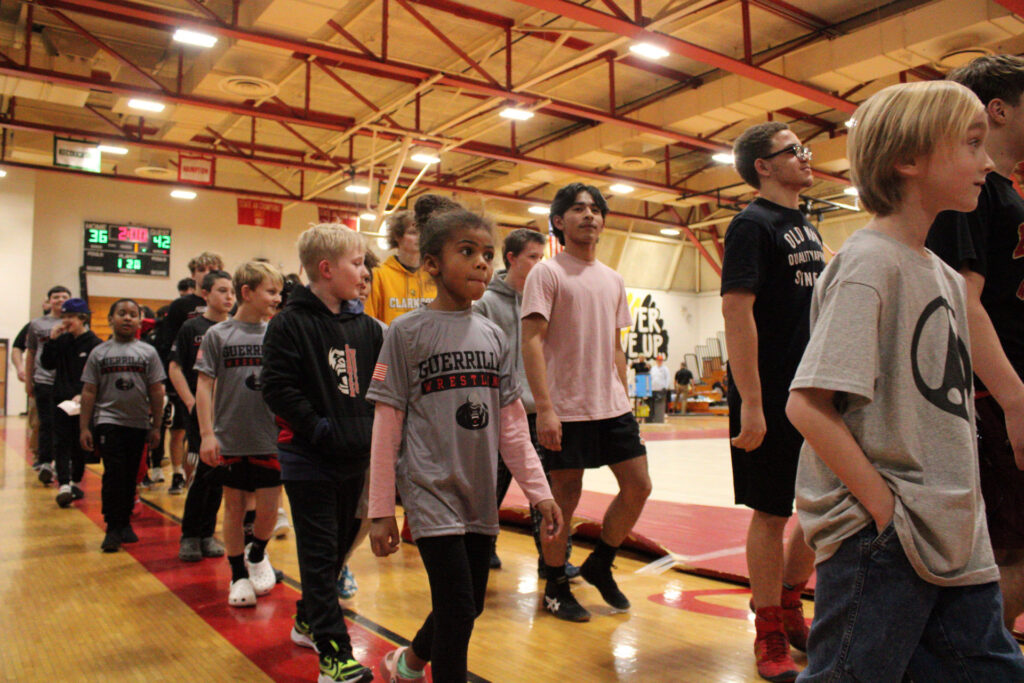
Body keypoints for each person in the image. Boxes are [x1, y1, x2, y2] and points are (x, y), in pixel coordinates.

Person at [787, 79, 1024, 681]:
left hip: (953, 533)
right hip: (887, 538)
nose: (989, 161)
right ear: (909, 160)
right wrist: (884, 510)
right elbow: (809, 406)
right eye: (973, 144)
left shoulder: (941, 273)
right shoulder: (868, 264)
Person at [368, 209, 562, 683]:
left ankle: (410, 662)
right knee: (456, 606)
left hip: (478, 492)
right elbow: (386, 424)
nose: (481, 263)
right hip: (429, 490)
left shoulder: (496, 335)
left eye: (487, 255)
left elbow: (513, 425)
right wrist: (379, 508)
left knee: (470, 602)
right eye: (467, 252)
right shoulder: (403, 334)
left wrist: (539, 492)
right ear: (432, 264)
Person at [522, 182, 652, 623]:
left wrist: (625, 395)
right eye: (578, 209)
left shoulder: (613, 279)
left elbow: (616, 347)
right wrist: (545, 407)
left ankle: (600, 562)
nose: (589, 216)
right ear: (559, 221)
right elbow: (532, 342)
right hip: (566, 409)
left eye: (595, 209)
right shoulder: (547, 273)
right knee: (564, 498)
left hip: (612, 407)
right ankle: (556, 584)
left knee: (639, 486)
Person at [721, 120, 824, 680]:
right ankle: (768, 628)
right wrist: (753, 404)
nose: (805, 157)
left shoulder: (805, 227)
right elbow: (737, 312)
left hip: (815, 394)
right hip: (770, 395)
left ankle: (789, 599)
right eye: (793, 151)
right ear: (764, 166)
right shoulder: (750, 225)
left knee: (820, 506)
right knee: (772, 511)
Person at [926, 55, 1024, 632]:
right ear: (999, 108)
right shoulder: (972, 189)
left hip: (1005, 386)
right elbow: (965, 302)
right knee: (1009, 550)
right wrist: (1011, 398)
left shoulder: (1001, 190)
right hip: (990, 394)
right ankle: (970, 662)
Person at [261, 224, 384, 683]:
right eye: (357, 262)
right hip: (308, 459)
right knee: (317, 554)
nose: (364, 271)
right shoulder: (288, 324)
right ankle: (335, 655)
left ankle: (308, 618)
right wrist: (319, 428)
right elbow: (278, 388)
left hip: (358, 458)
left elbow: (382, 383)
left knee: (336, 553)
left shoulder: (369, 328)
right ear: (327, 268)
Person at [475, 227, 576, 574]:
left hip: (538, 411)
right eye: (532, 257)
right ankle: (483, 546)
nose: (539, 264)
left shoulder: (547, 301)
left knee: (546, 490)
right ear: (512, 259)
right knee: (490, 488)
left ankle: (555, 559)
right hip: (500, 412)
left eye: (541, 257)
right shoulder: (486, 303)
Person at [195, 261, 284, 607]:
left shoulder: (278, 333)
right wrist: (206, 434)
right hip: (230, 436)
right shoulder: (218, 335)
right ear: (247, 293)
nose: (277, 298)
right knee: (232, 507)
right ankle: (237, 575)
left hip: (271, 437)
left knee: (268, 509)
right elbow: (204, 384)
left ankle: (257, 551)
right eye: (271, 292)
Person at [79, 299, 166, 553]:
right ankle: (112, 526)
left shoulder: (148, 353)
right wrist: (85, 427)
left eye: (132, 314)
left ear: (140, 321)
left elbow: (156, 391)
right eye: (122, 313)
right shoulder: (100, 352)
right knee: (114, 473)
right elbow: (89, 390)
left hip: (138, 423)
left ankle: (125, 521)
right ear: (110, 319)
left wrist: (157, 426)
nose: (127, 318)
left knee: (130, 475)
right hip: (108, 421)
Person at [170, 270, 234, 562]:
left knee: (219, 474)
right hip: (201, 414)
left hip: (228, 414)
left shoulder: (236, 328)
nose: (229, 297)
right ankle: (190, 535)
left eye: (232, 291)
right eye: (222, 291)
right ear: (205, 294)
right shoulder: (192, 328)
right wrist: (192, 402)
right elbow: (175, 369)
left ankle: (208, 534)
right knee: (203, 473)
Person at [336, 249, 385, 601]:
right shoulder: (319, 327)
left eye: (369, 279)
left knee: (367, 511)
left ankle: (341, 563)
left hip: (371, 435)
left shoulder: (380, 332)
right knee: (333, 513)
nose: (364, 285)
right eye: (359, 277)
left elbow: (388, 381)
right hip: (329, 436)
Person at [154, 251, 224, 493]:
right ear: (193, 274)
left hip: (219, 390)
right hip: (188, 383)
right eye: (203, 269)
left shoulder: (228, 309)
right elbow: (170, 350)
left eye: (213, 269)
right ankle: (178, 472)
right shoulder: (181, 308)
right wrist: (179, 391)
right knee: (181, 432)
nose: (208, 273)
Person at [38, 298, 101, 507]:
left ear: (82, 318)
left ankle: (75, 482)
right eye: (64, 317)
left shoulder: (95, 344)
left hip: (84, 403)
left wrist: (82, 395)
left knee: (80, 444)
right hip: (60, 400)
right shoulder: (62, 341)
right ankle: (64, 484)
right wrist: (52, 341)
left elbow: (96, 378)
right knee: (61, 442)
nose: (66, 321)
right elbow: (47, 364)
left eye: (71, 317)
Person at [25, 286, 72, 481]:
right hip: (43, 379)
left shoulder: (75, 323)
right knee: (47, 422)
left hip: (66, 382)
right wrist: (29, 379)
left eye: (64, 297)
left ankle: (64, 461)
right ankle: (45, 461)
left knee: (65, 424)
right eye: (56, 297)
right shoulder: (37, 324)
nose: (60, 300)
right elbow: (31, 353)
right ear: (49, 300)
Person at [365, 209, 437, 325]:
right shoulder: (379, 275)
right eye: (413, 232)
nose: (419, 237)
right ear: (397, 236)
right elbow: (369, 320)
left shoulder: (435, 275)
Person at [648, 354, 671, 423]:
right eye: (658, 360)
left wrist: (665, 387)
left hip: (661, 390)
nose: (659, 361)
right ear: (656, 360)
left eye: (661, 360)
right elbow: (650, 378)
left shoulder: (665, 369)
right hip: (653, 390)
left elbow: (668, 378)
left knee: (660, 406)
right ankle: (651, 419)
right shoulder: (653, 368)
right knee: (651, 406)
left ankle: (659, 420)